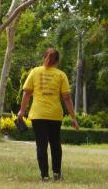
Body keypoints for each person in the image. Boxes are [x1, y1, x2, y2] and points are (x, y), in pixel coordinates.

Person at [16, 48, 79, 181]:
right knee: (55, 143)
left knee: (41, 145)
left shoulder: (35, 72)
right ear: (57, 61)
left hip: (38, 114)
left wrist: (22, 111)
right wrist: (73, 117)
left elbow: (27, 93)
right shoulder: (61, 75)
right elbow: (67, 97)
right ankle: (56, 174)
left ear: (44, 57)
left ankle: (44, 176)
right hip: (55, 115)